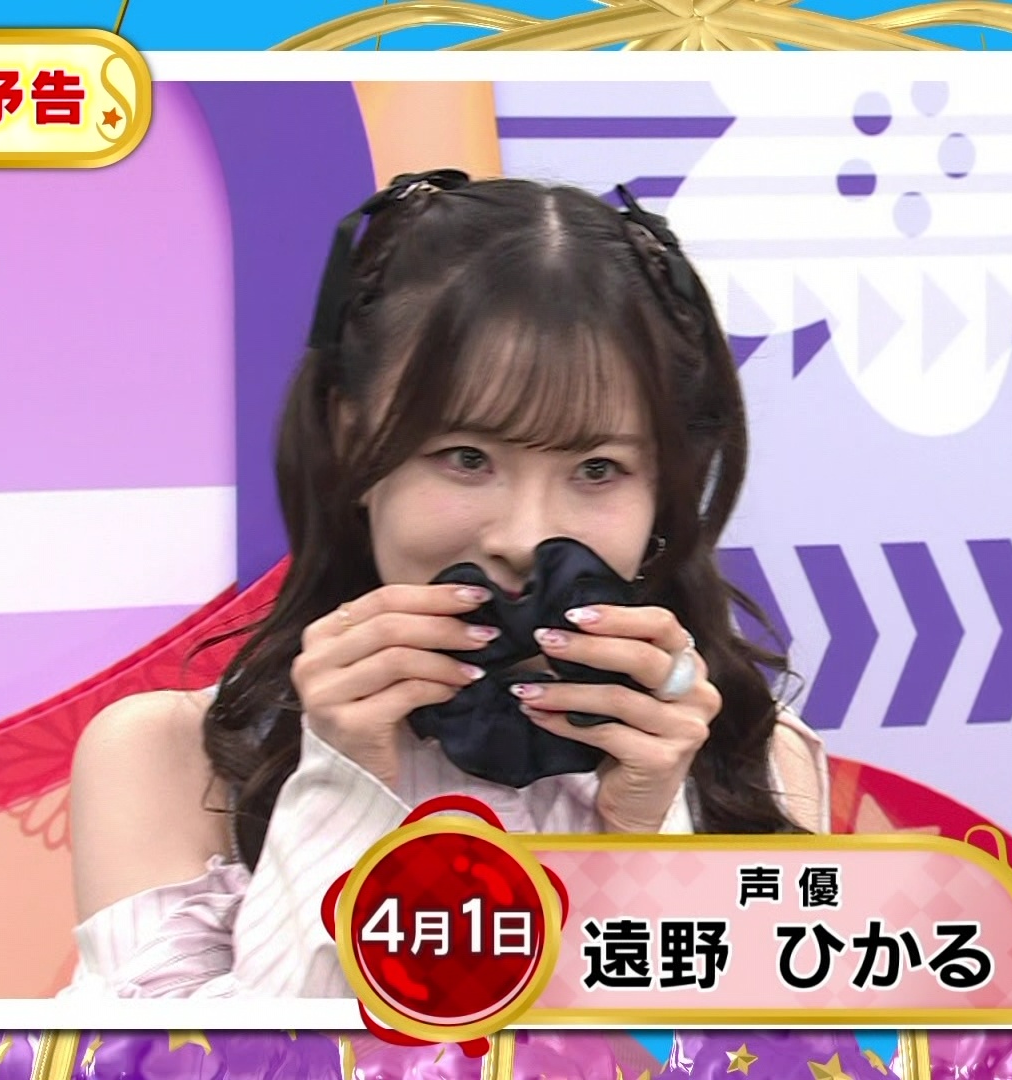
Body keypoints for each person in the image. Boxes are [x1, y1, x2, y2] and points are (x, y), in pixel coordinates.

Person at [62, 171, 828, 998]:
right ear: (351, 439)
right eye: (467, 458)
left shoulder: (751, 756)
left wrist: (639, 841)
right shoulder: (168, 759)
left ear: (668, 489)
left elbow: (716, 1052)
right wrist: (344, 787)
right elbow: (224, 1058)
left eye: (598, 469)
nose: (524, 537)